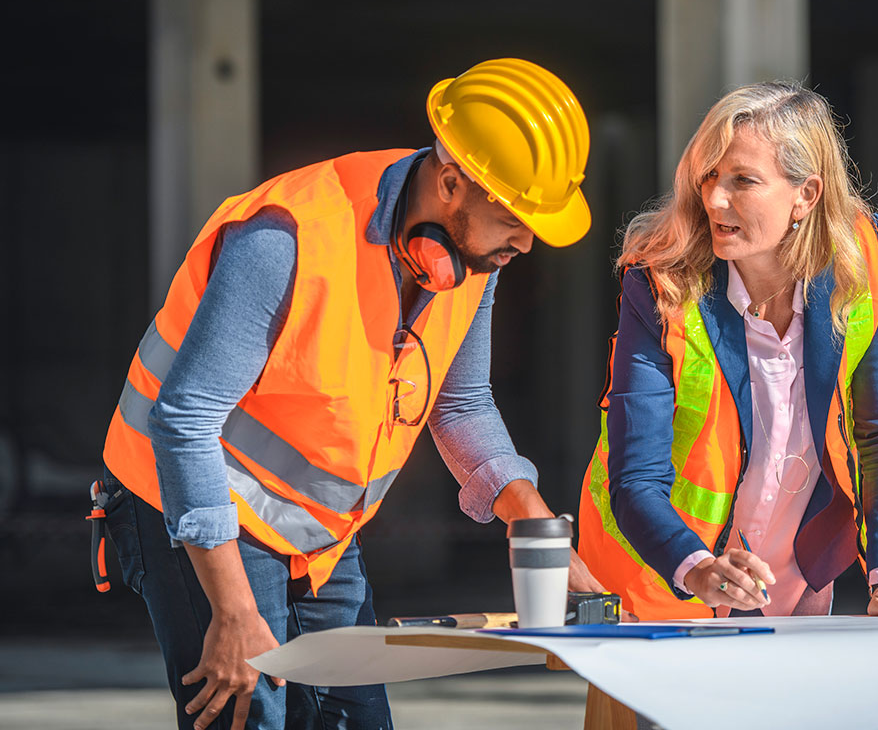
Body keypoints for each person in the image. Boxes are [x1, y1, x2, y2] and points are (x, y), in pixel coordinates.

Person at [98, 58, 604, 730]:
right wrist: (233, 610)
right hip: (193, 511)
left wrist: (535, 524)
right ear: (451, 181)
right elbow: (184, 421)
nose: (528, 239)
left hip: (318, 538)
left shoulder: (474, 260)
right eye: (516, 214)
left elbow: (462, 404)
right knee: (248, 712)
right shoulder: (287, 237)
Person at [578, 80, 878, 621]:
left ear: (807, 195)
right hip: (664, 574)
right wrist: (697, 567)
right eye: (709, 176)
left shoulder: (866, 258)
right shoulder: (658, 283)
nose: (714, 199)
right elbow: (636, 477)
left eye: (743, 181)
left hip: (799, 571)